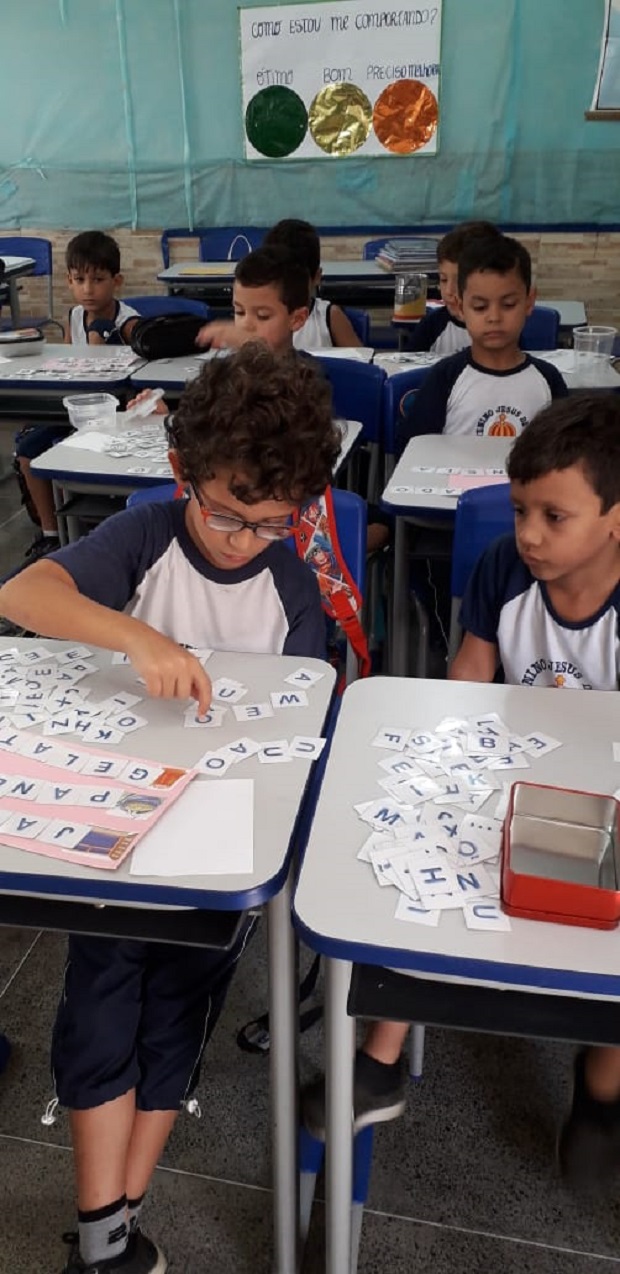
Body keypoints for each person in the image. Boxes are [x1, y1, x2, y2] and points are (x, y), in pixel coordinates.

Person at [0, 343, 341, 1274]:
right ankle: (105, 1235)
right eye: (226, 512)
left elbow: (300, 729)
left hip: (218, 848)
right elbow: (23, 592)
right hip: (113, 834)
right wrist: (138, 638)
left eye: (270, 523)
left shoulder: (291, 586)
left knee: (177, 1014)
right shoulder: (148, 535)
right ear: (183, 469)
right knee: (98, 1005)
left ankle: (118, 1220)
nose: (241, 540)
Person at [303, 393, 620, 1184]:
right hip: (509, 775)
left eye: (555, 516)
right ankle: (381, 1056)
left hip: (606, 802)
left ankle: (602, 1084)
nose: (530, 534)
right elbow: (470, 679)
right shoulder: (504, 568)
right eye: (520, 511)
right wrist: (448, 772)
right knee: (426, 856)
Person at [14, 231, 139, 560]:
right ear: (69, 281)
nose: (88, 289)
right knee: (27, 451)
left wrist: (100, 333)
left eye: (98, 280)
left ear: (116, 281)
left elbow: (103, 371)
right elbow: (72, 364)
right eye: (79, 280)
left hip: (116, 414)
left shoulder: (127, 321)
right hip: (78, 409)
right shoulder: (74, 315)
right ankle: (50, 534)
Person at [397, 233, 568, 457]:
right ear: (460, 307)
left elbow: (565, 457)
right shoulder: (444, 378)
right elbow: (414, 453)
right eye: (480, 307)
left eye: (508, 304)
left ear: (529, 302)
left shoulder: (548, 379)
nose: (494, 317)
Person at [262, 218, 363, 350]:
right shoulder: (259, 318)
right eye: (279, 280)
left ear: (316, 277)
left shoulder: (330, 317)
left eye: (296, 282)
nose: (288, 290)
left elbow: (361, 360)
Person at [404, 220, 501, 356]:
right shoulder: (432, 325)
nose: (449, 291)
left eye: (459, 281)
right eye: (444, 279)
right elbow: (405, 365)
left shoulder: (505, 327)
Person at [196, 244, 311, 355]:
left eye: (262, 316)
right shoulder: (226, 365)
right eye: (240, 312)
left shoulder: (310, 367)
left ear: (297, 319)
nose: (245, 325)